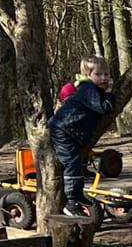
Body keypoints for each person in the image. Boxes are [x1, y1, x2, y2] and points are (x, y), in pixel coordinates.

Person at [48, 57, 115, 216]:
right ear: (87, 75)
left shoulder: (93, 90)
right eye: (98, 74)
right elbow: (103, 108)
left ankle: (77, 196)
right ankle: (71, 201)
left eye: (106, 74)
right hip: (64, 130)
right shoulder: (87, 89)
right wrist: (110, 93)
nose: (104, 78)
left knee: (77, 163)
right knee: (72, 163)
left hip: (71, 131)